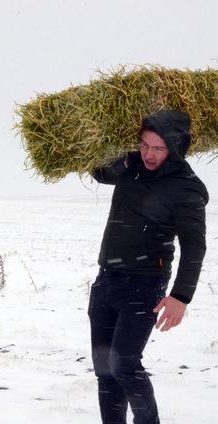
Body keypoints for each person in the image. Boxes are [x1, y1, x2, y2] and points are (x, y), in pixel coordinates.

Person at [89, 110, 208, 424]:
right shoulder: (132, 166)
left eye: (158, 148)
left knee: (124, 365)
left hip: (144, 285)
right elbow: (100, 172)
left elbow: (195, 245)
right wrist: (86, 142)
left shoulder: (186, 188)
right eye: (144, 145)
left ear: (175, 148)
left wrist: (181, 296)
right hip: (106, 281)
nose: (149, 154)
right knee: (105, 369)